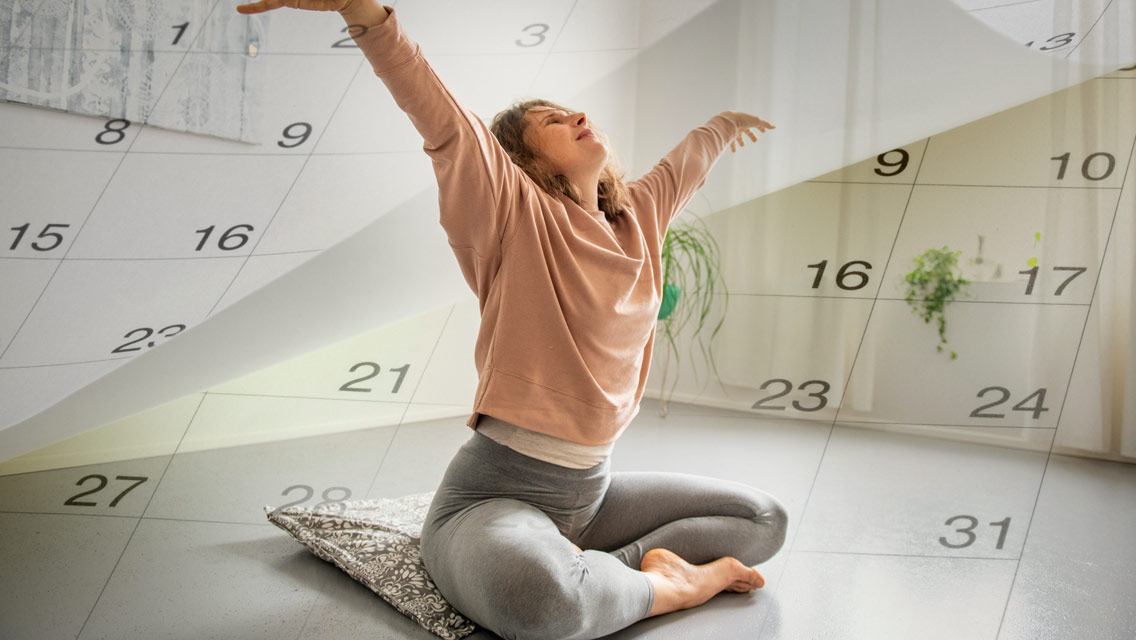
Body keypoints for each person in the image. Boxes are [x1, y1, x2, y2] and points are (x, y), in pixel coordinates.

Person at [237, 2, 788, 639]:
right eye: (552, 121)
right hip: (494, 496)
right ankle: (665, 584)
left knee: (763, 520)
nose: (578, 117)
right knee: (544, 605)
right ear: (526, 164)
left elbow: (683, 168)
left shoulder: (636, 219)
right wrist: (365, 14)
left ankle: (629, 570)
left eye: (574, 111)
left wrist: (723, 125)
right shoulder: (512, 214)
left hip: (592, 493)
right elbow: (443, 123)